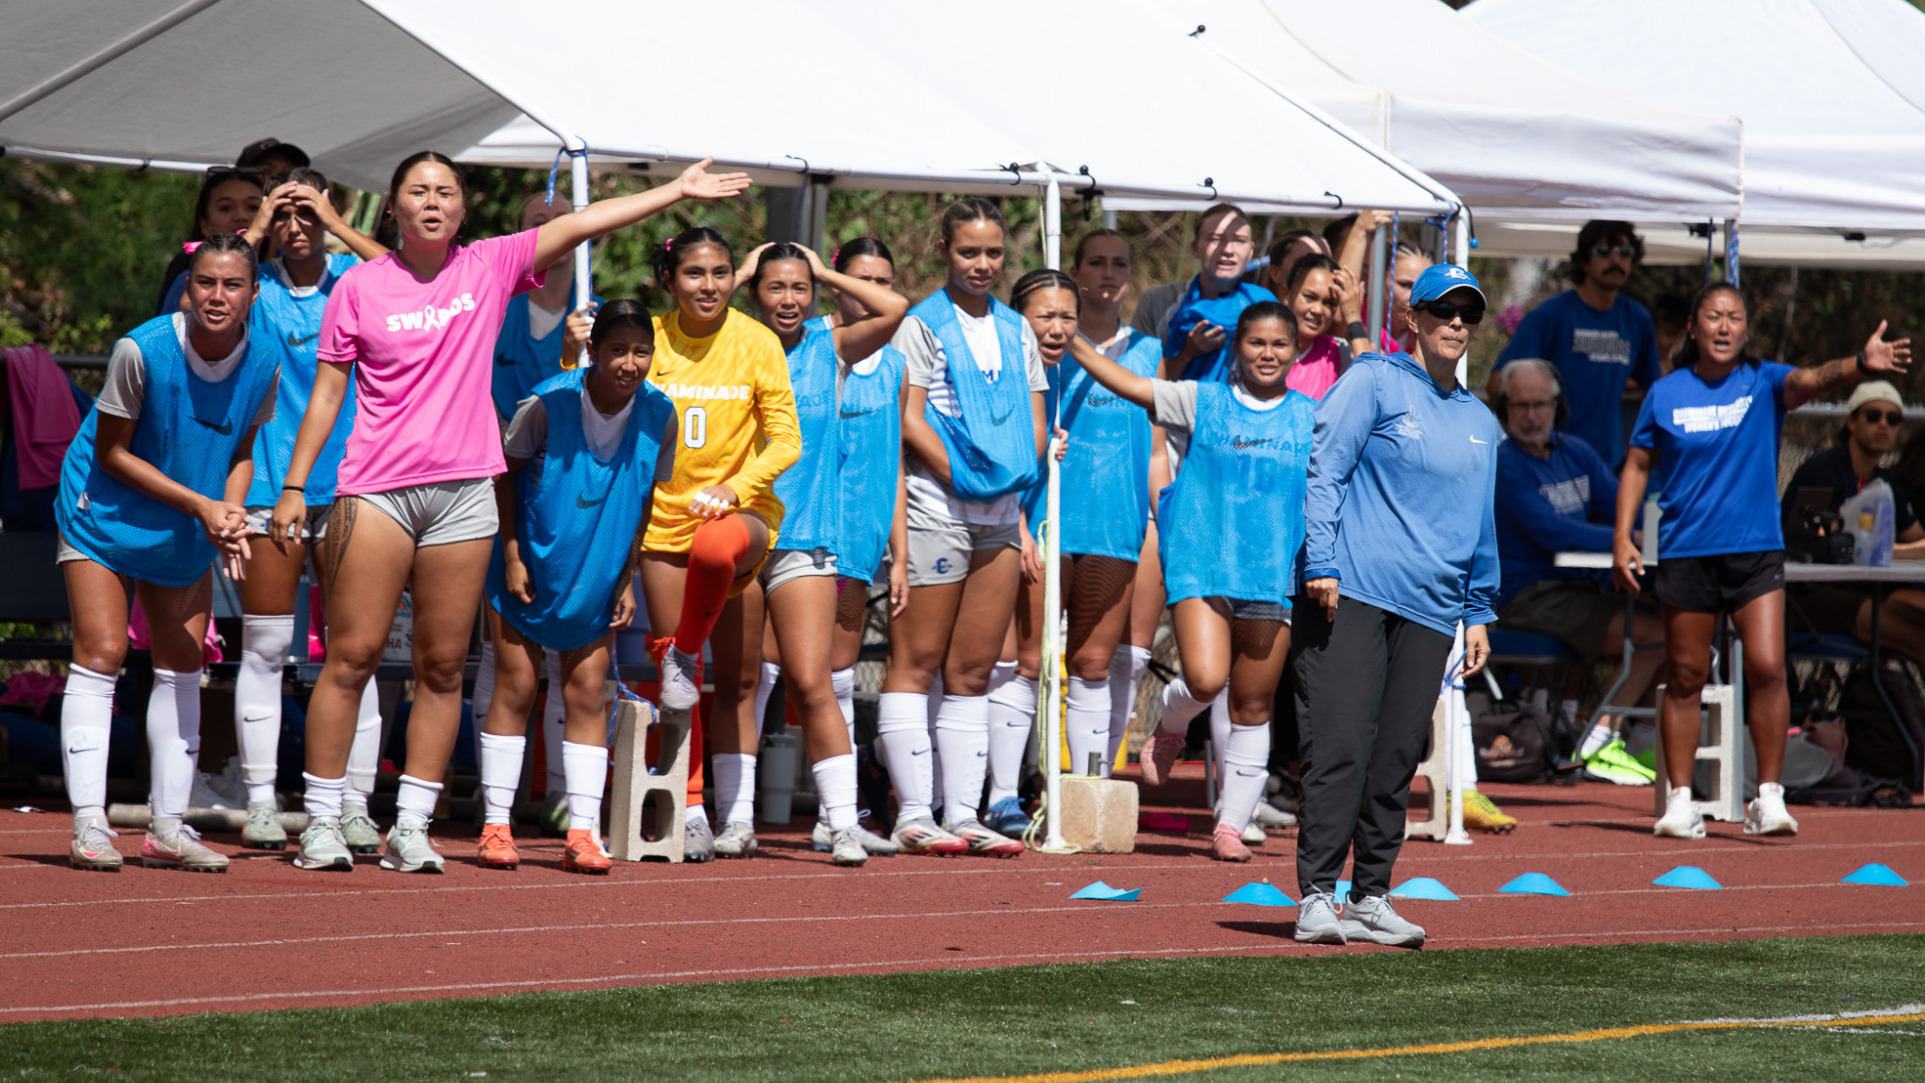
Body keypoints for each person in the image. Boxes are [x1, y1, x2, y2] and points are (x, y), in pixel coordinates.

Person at [274, 153, 750, 874]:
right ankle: (321, 819)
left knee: (442, 666)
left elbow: (585, 221)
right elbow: (327, 396)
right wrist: (292, 486)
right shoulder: (360, 285)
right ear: (393, 206)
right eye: (416, 191)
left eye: (445, 192)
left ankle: (411, 824)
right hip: (376, 488)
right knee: (352, 657)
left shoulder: (490, 265)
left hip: (466, 490)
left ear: (463, 209)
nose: (431, 203)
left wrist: (673, 192)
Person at [1616, 282, 1910, 839]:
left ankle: (1767, 798)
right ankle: (1681, 801)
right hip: (1685, 551)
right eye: (1713, 317)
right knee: (1684, 675)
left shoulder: (1765, 382)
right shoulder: (1667, 392)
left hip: (1754, 553)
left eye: (1734, 317)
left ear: (1746, 329)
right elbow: (1636, 465)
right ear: (1695, 329)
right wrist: (1622, 538)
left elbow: (1811, 379)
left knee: (1769, 668)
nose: (1724, 326)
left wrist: (1858, 365)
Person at [1294, 263, 1501, 948]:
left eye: (1465, 314)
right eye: (1440, 310)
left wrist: (1478, 610)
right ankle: (1318, 893)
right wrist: (1319, 560)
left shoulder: (1480, 421)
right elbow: (1326, 469)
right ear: (1411, 317)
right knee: (1342, 747)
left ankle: (1370, 895)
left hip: (1433, 609)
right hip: (1351, 590)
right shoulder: (1374, 379)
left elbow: (1481, 523)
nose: (1454, 324)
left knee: (1395, 759)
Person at [56, 233, 276, 872]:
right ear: (187, 287)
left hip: (188, 516)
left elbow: (240, 452)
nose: (217, 296)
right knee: (103, 651)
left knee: (183, 659)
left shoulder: (264, 358)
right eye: (205, 282)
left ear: (252, 294)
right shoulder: (142, 349)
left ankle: (167, 829)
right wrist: (205, 509)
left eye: (232, 285)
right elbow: (112, 454)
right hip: (103, 510)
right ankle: (90, 824)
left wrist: (230, 511)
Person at [1077, 301, 1313, 863]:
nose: (1268, 353)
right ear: (1238, 348)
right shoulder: (1203, 400)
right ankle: (1169, 721)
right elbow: (1134, 387)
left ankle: (1230, 825)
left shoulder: (1312, 416)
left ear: (1296, 351)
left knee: (1254, 705)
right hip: (1203, 563)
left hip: (1272, 574)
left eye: (1279, 344)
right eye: (1256, 342)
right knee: (1207, 681)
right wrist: (1074, 345)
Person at [475, 299, 675, 874]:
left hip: (600, 570)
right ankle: (495, 825)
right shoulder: (547, 401)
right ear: (593, 351)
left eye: (641, 351)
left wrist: (628, 578)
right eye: (617, 349)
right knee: (515, 687)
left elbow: (643, 503)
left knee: (588, 694)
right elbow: (505, 480)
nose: (629, 363)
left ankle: (583, 833)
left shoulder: (660, 415)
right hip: (530, 565)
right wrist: (512, 556)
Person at [877, 198, 1048, 858]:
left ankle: (965, 811)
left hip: (1001, 516)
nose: (982, 264)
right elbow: (910, 417)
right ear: (943, 250)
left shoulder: (1016, 328)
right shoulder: (921, 325)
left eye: (993, 253)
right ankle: (914, 812)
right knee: (916, 664)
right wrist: (965, 476)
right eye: (967, 251)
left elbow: (1035, 420)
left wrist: (1011, 479)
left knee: (974, 670)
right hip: (936, 508)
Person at [232, 168, 391, 852]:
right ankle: (261, 799)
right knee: (266, 645)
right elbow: (196, 284)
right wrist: (260, 222)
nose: (298, 226)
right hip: (272, 484)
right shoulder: (252, 283)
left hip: (353, 483)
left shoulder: (355, 280)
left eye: (309, 213)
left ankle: (354, 801)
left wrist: (336, 219)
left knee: (357, 651)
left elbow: (410, 279)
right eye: (286, 214)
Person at [735, 240, 907, 865]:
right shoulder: (734, 343)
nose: (789, 299)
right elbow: (701, 306)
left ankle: (841, 824)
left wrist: (820, 268)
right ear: (754, 291)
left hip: (806, 532)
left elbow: (895, 308)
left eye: (799, 289)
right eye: (775, 288)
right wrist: (744, 273)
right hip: (739, 528)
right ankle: (733, 819)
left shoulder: (828, 346)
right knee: (743, 679)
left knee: (813, 680)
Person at [636, 225, 799, 863]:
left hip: (742, 517)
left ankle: (683, 654)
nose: (710, 285)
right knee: (682, 686)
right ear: (669, 280)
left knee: (711, 575)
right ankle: (693, 809)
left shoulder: (757, 341)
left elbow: (786, 440)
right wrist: (574, 354)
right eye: (695, 274)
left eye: (722, 273)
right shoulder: (648, 338)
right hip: (658, 526)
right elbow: (597, 403)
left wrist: (736, 488)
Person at [474, 190, 599, 833]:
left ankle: (557, 795)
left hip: (572, 498)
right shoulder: (495, 308)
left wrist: (582, 352)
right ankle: (495, 796)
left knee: (567, 648)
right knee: (502, 653)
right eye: (535, 224)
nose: (550, 234)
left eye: (561, 222)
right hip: (493, 484)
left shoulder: (597, 316)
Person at [1492, 359, 1664, 785]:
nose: (1531, 416)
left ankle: (1641, 741)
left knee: (1675, 620)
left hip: (1577, 587)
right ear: (1505, 411)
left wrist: (1646, 530)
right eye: (1520, 407)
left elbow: (1617, 507)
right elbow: (1552, 532)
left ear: (1558, 406)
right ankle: (1600, 742)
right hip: (1527, 596)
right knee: (1655, 635)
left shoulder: (1576, 451)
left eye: (1540, 405)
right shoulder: (1504, 464)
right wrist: (1624, 538)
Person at [821, 237, 910, 856]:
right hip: (808, 529)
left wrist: (899, 551)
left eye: (882, 280)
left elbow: (895, 460)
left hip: (864, 536)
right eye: (860, 280)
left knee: (840, 674)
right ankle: (737, 807)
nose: (870, 292)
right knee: (775, 668)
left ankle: (839, 814)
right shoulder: (813, 348)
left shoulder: (899, 365)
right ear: (835, 284)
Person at [1491, 221, 1661, 468]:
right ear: (1583, 260)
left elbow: (1655, 391)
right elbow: (1497, 383)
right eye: (1603, 251)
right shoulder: (1551, 315)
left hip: (1612, 464)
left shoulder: (1637, 319)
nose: (1616, 260)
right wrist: (1528, 445)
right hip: (1554, 462)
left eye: (1625, 253)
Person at [1783, 381, 1925, 663]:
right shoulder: (1822, 471)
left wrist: (1890, 549)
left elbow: (1917, 541)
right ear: (1851, 421)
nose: (1883, 424)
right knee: (1917, 637)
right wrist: (1890, 550)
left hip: (1864, 590)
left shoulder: (1886, 486)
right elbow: (1804, 540)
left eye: (1893, 418)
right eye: (1873, 416)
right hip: (1807, 595)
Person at [1160, 205, 1271, 383]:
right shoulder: (1167, 307)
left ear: (1251, 251)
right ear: (1195, 248)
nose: (1228, 250)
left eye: (1239, 240)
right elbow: (1151, 386)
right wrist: (1186, 354)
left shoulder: (1265, 305)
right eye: (1215, 239)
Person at [154, 169, 265, 316]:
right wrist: (250, 238)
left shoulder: (281, 276)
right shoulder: (186, 277)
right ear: (205, 226)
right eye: (226, 208)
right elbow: (188, 308)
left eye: (253, 207)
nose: (241, 216)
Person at [1273, 255, 1366, 400]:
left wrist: (1353, 317)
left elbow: (1371, 381)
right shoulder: (1261, 345)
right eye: (1309, 297)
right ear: (1286, 294)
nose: (1317, 310)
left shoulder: (1337, 351)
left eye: (1329, 303)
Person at [1382, 240, 1432, 355]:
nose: (1415, 296)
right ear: (1380, 280)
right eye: (1405, 285)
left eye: (1423, 288)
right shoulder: (1351, 326)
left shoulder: (1429, 338)